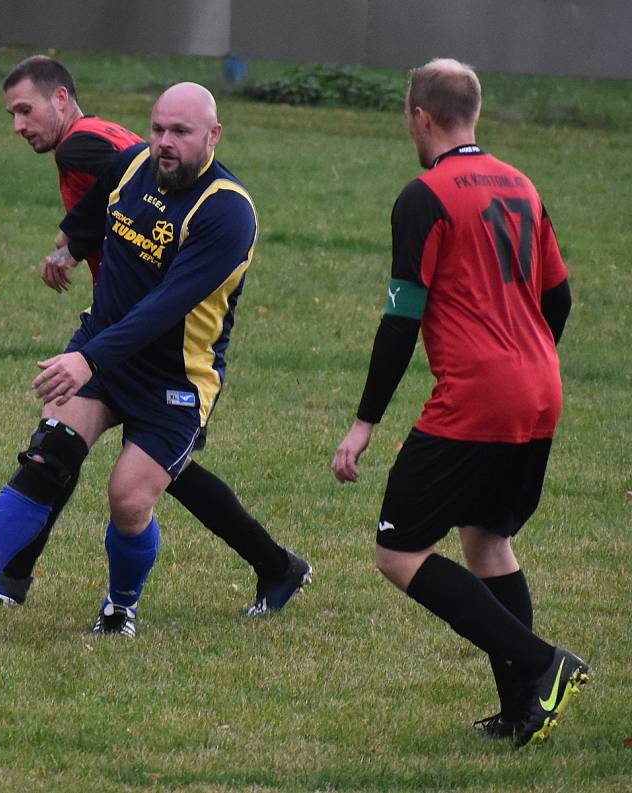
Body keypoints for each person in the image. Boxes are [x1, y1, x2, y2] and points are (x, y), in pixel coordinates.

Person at [0, 80, 310, 642]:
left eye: (180, 132)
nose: (164, 142)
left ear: (213, 135)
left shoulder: (228, 213)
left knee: (128, 498)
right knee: (47, 459)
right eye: (158, 128)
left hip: (176, 378)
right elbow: (96, 209)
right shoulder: (132, 165)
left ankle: (120, 608)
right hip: (105, 351)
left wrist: (87, 361)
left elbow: (165, 307)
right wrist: (68, 250)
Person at [331, 59, 590, 747]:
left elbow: (401, 318)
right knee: (486, 540)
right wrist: (527, 354)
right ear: (473, 111)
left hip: (481, 395)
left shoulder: (425, 195)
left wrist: (362, 425)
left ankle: (543, 664)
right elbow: (558, 297)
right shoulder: (522, 184)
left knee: (398, 550)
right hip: (541, 388)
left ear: (419, 115)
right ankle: (522, 710)